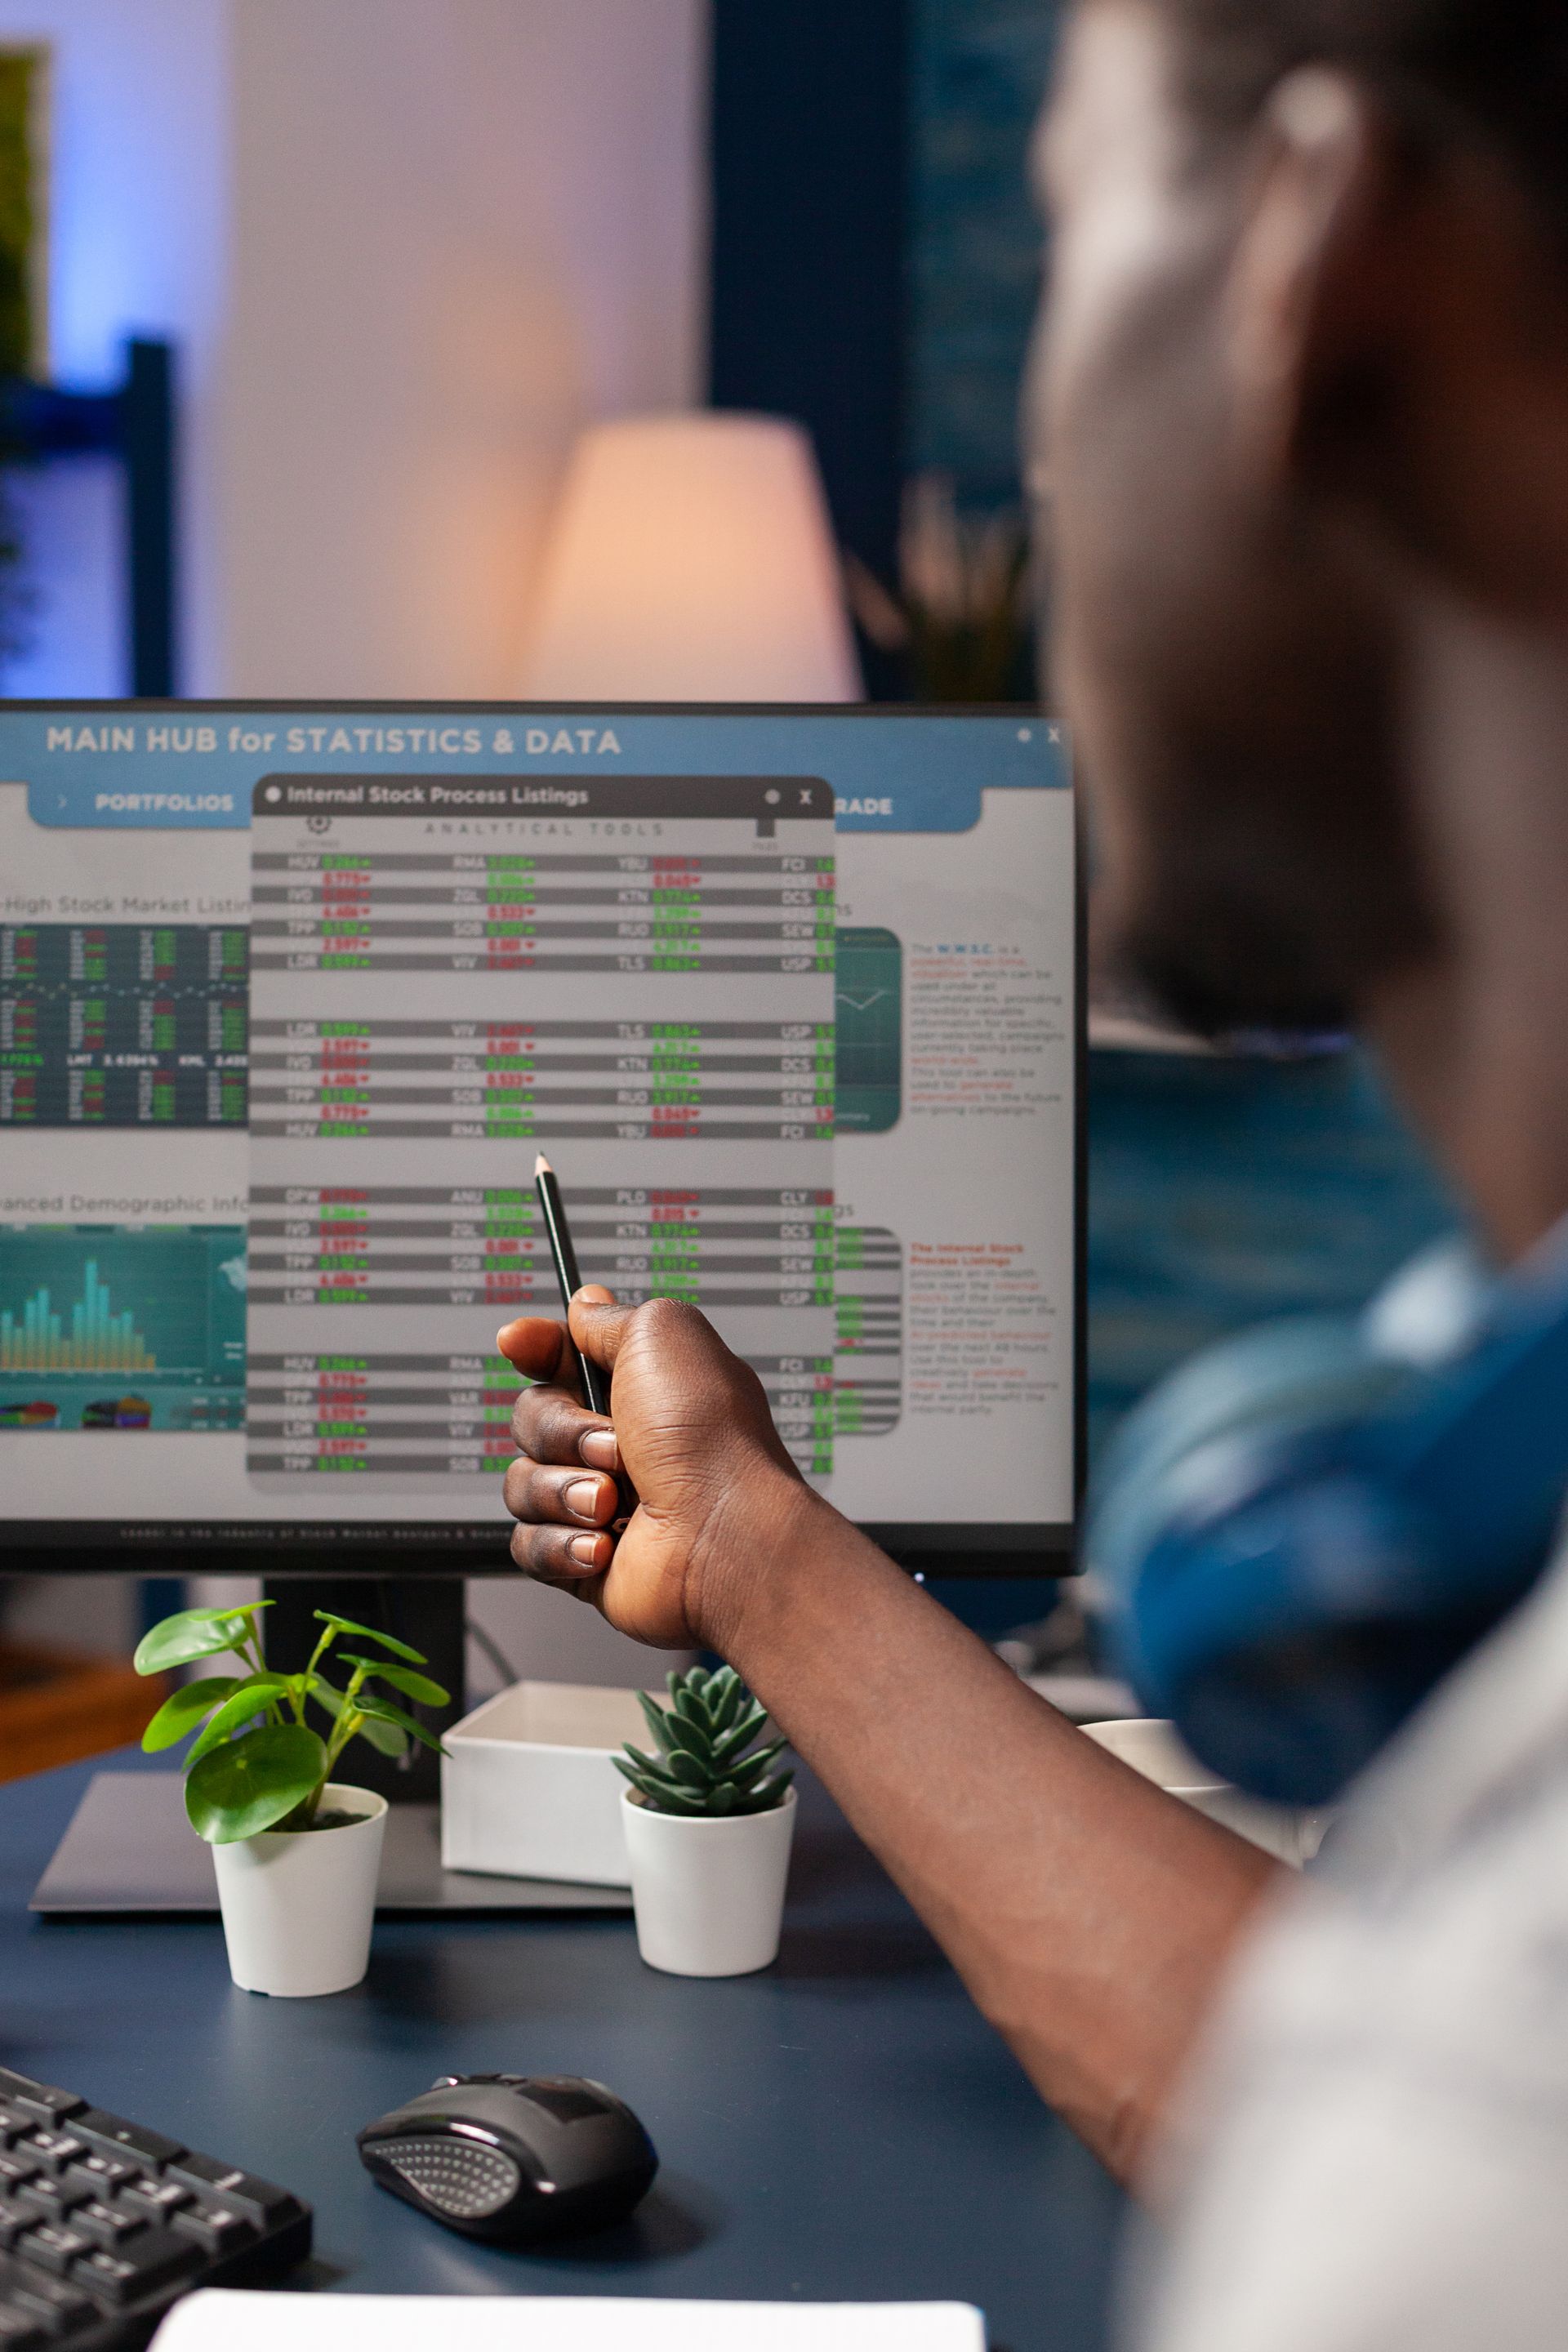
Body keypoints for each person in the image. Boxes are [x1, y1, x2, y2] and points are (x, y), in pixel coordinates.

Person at [499, 0, 1568, 2339]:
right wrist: (760, 1548)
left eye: (1078, 216)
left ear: (1308, 262)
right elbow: (1304, 2068)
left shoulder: (1465, 2152)